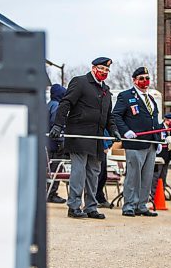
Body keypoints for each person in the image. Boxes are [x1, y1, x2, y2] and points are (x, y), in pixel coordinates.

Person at [49, 57, 121, 219]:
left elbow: (108, 116)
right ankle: (74, 206)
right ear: (93, 68)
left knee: (93, 173)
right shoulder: (80, 82)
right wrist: (58, 125)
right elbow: (65, 104)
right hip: (79, 136)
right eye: (101, 68)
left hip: (97, 138)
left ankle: (91, 207)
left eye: (107, 70)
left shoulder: (106, 90)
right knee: (79, 172)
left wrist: (114, 130)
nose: (104, 72)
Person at [113, 67, 161, 217]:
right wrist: (125, 131)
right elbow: (116, 116)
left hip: (150, 144)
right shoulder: (125, 96)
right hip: (135, 143)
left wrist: (158, 140)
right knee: (133, 176)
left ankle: (141, 205)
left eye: (147, 78)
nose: (145, 81)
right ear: (134, 80)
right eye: (141, 78)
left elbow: (155, 121)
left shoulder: (151, 99)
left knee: (147, 177)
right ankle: (129, 206)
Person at [46, 84, 68, 204]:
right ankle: (52, 193)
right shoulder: (56, 106)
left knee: (49, 170)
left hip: (48, 144)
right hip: (55, 145)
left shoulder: (49, 105)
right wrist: (62, 141)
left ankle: (49, 192)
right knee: (55, 171)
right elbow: (56, 125)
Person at [151, 113, 171, 201]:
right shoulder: (159, 127)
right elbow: (157, 139)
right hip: (159, 155)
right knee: (156, 175)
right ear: (166, 120)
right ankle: (154, 194)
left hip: (168, 155)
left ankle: (161, 193)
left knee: (163, 176)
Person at [96, 130, 113, 208]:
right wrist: (105, 145)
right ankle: (94, 199)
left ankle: (100, 198)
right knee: (97, 176)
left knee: (103, 176)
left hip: (105, 144)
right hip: (99, 146)